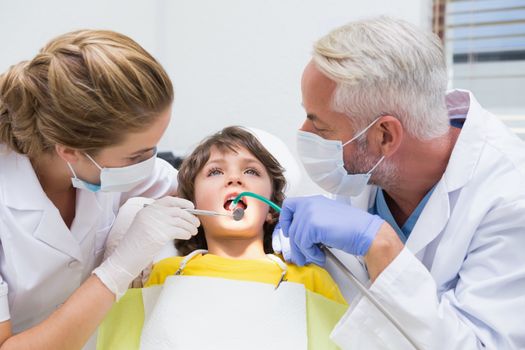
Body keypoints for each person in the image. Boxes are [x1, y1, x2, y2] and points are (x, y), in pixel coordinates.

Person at [274, 16, 525, 349]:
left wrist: (382, 247)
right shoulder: (367, 168)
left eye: (320, 128)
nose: (303, 133)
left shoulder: (510, 197)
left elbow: (481, 345)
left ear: (385, 135)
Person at [0, 30, 200, 349]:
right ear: (70, 151)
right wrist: (117, 271)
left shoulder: (104, 166)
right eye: (137, 155)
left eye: (154, 148)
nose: (151, 163)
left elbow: (205, 188)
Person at [146, 126, 346, 305]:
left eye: (251, 171)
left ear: (271, 209)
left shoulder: (310, 280)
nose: (234, 178)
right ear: (193, 205)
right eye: (215, 172)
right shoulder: (166, 274)